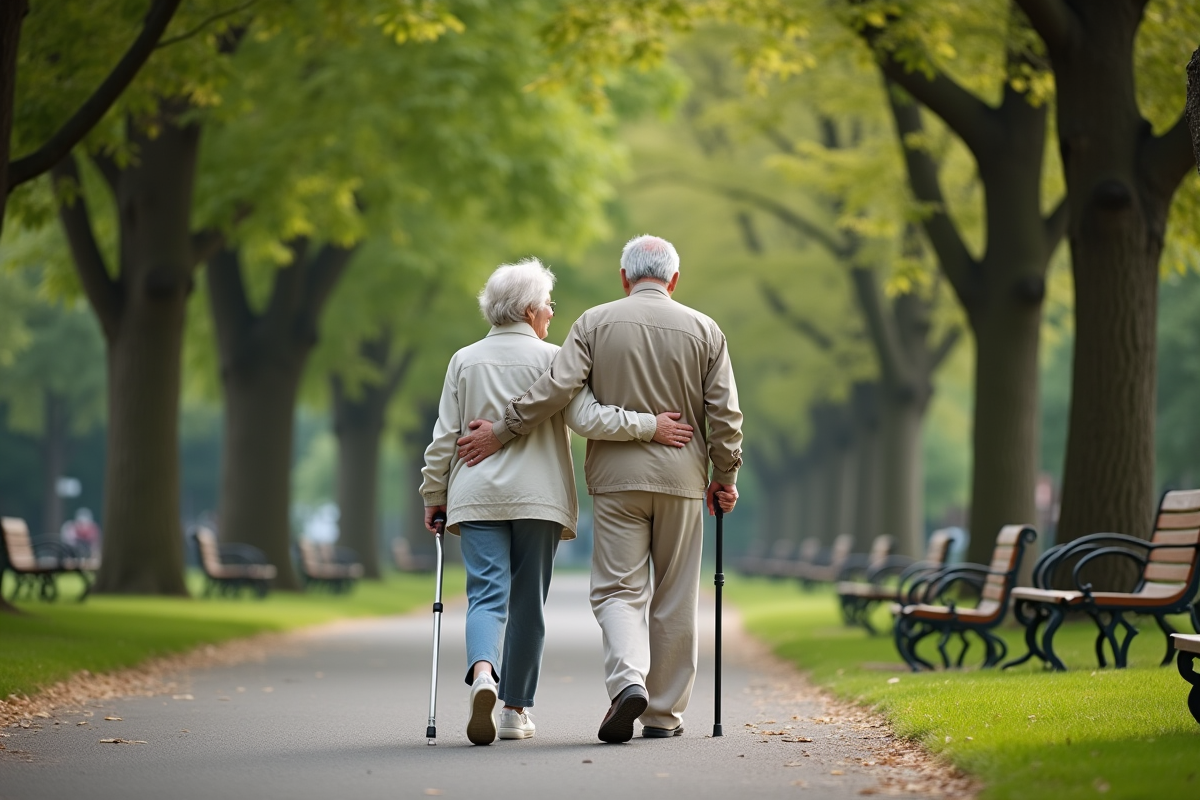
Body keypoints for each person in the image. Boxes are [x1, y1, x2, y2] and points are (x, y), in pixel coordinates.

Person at [455, 234, 742, 743]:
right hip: (682, 481)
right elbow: (725, 415)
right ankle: (662, 715)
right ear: (673, 280)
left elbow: (557, 389)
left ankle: (628, 680)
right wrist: (725, 475)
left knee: (617, 591)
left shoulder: (592, 322)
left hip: (615, 483)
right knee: (675, 597)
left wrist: (502, 430)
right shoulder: (706, 330)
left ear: (624, 277)